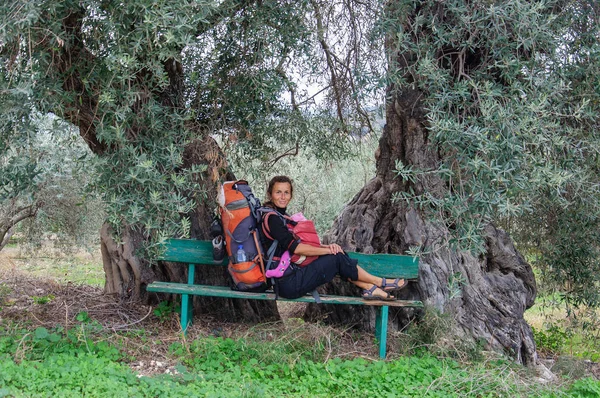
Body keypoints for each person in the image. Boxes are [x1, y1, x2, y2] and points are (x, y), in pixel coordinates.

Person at [260, 175, 407, 301]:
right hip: (287, 284)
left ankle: (370, 287)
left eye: (286, 192)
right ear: (270, 194)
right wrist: (328, 252)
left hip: (291, 277)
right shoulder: (273, 219)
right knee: (335, 258)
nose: (283, 196)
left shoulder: (282, 217)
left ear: (291, 195)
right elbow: (296, 248)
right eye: (278, 192)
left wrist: (328, 248)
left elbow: (299, 244)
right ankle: (380, 282)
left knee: (337, 255)